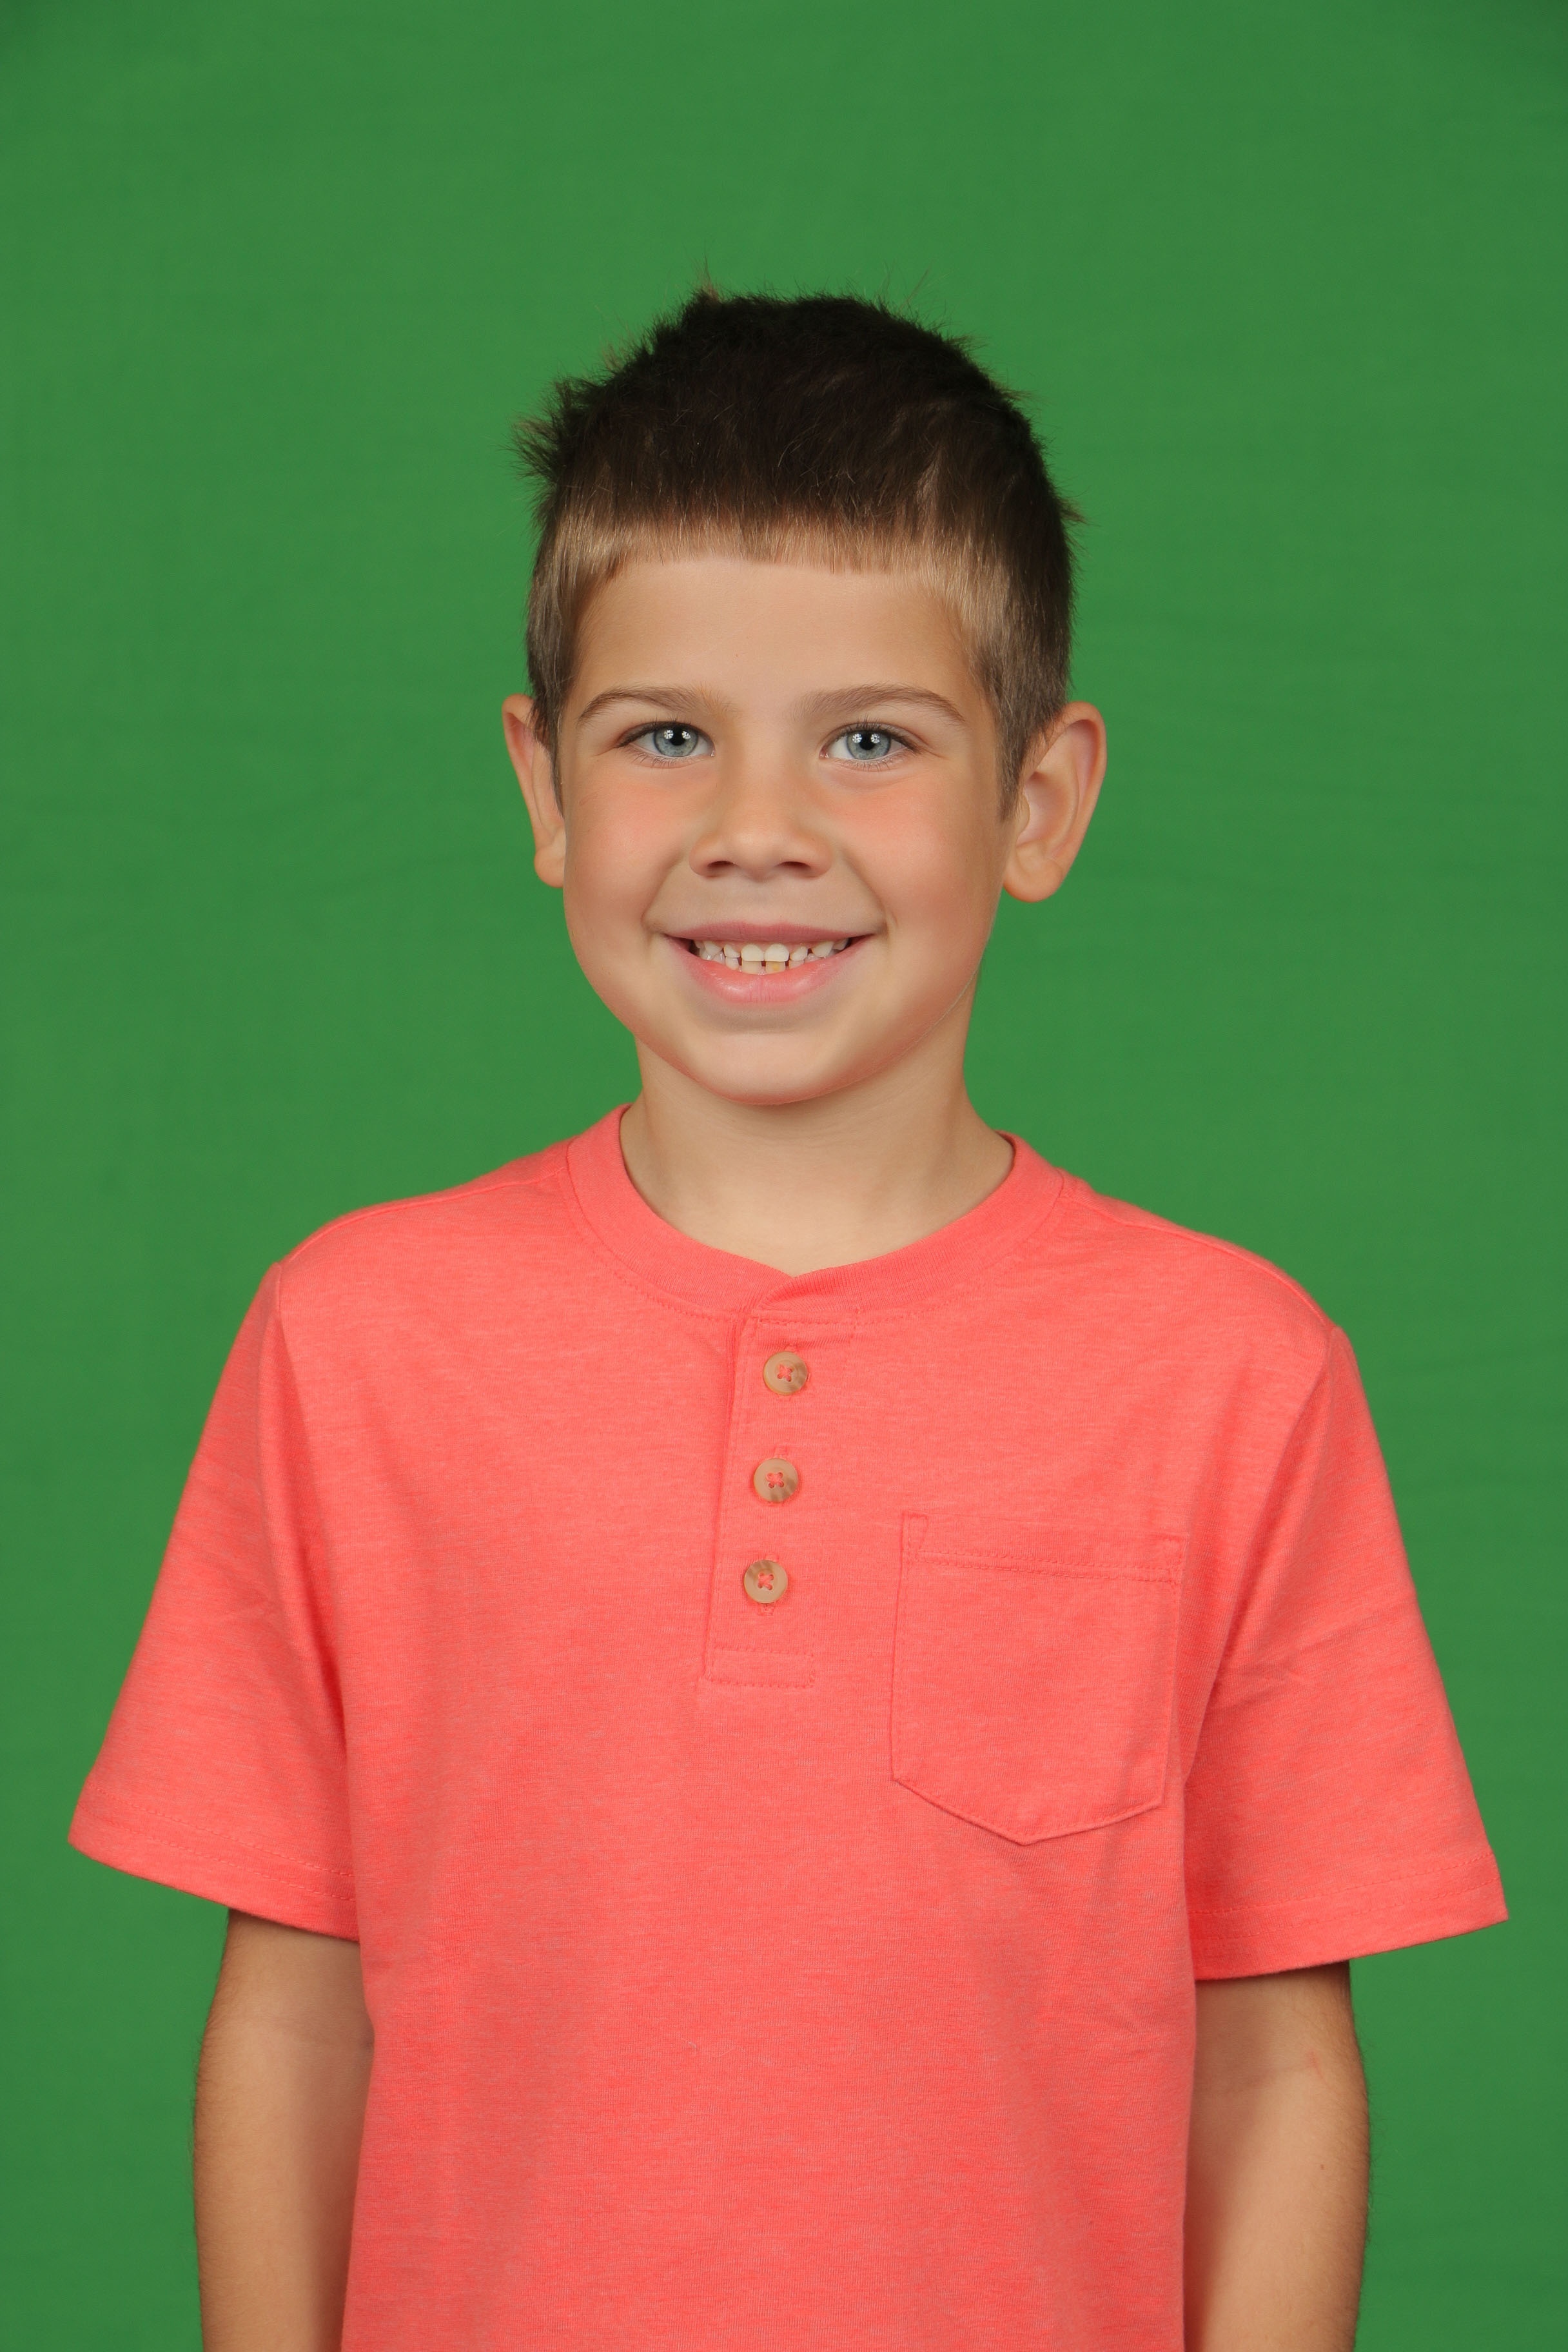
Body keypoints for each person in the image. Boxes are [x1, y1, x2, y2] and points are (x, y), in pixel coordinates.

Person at [70, 288, 1505, 2352]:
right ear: (543, 787)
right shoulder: (353, 1341)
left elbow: (1273, 2064)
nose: (759, 825)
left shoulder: (1233, 1375)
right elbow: (295, 2019)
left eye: (870, 739)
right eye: (667, 736)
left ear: (1039, 800)